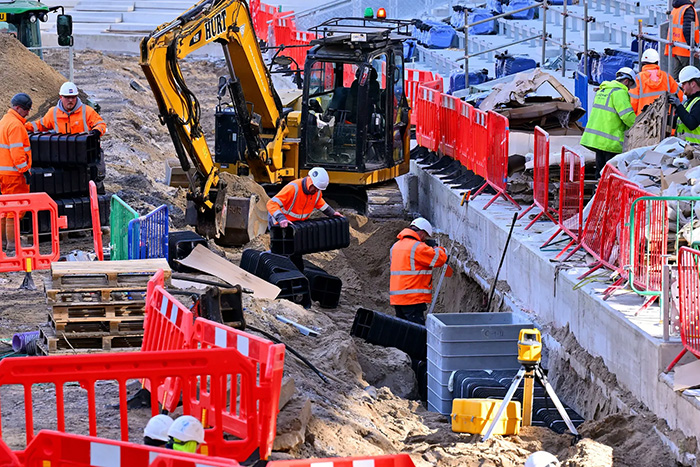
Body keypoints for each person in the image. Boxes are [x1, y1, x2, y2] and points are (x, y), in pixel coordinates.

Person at [389, 217, 448, 325]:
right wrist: (437, 248)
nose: (425, 240)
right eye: (425, 237)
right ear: (421, 233)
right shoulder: (418, 247)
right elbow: (439, 259)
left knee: (403, 330)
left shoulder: (395, 246)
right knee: (416, 332)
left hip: (397, 298)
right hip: (412, 298)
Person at [580, 67, 637, 178]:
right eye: (630, 85)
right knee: (610, 174)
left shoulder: (603, 90)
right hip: (611, 140)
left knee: (600, 172)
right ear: (626, 81)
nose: (629, 88)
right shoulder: (619, 93)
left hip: (598, 139)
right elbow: (626, 115)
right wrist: (638, 125)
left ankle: (597, 192)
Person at [0, 93, 33, 251]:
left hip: (4, 174)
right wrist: (24, 170)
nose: (28, 112)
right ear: (17, 108)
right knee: (15, 209)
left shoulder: (5, 121)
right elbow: (17, 152)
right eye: (26, 109)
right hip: (14, 174)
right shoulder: (16, 126)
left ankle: (4, 242)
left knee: (5, 208)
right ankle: (13, 244)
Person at [266, 167, 343, 228]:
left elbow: (320, 203)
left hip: (296, 224)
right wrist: (281, 218)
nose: (316, 190)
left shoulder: (316, 192)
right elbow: (272, 203)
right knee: (280, 246)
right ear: (310, 181)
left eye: (318, 189)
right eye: (315, 187)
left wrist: (332, 213)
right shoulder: (293, 188)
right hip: (281, 223)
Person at [25, 82, 106, 136]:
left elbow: (101, 124)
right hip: (64, 152)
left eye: (73, 97)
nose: (70, 100)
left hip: (85, 151)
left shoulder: (87, 111)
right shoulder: (53, 112)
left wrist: (96, 131)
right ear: (61, 97)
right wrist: (23, 126)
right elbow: (39, 125)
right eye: (67, 97)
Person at [630, 48, 682, 115]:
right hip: (664, 119)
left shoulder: (638, 79)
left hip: (644, 121)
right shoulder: (667, 77)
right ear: (657, 62)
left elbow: (633, 104)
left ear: (642, 63)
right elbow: (679, 96)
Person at [666, 0, 700, 80]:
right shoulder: (688, 9)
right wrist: (694, 48)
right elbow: (687, 30)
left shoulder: (676, 8)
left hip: (676, 48)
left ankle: (673, 92)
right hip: (686, 51)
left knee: (677, 77)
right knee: (694, 76)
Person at [670, 65, 700, 143]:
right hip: (686, 149)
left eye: (684, 83)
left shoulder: (698, 102)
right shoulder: (688, 102)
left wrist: (679, 106)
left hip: (696, 150)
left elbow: (692, 124)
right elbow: (674, 123)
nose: (682, 86)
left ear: (693, 84)